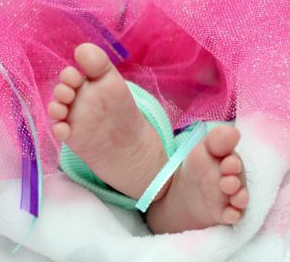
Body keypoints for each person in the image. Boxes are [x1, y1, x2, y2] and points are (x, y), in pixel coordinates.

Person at [47, 42, 248, 233]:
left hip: (192, 101)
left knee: (206, 156)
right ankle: (157, 168)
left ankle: (174, 191)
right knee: (213, 139)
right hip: (206, 96)